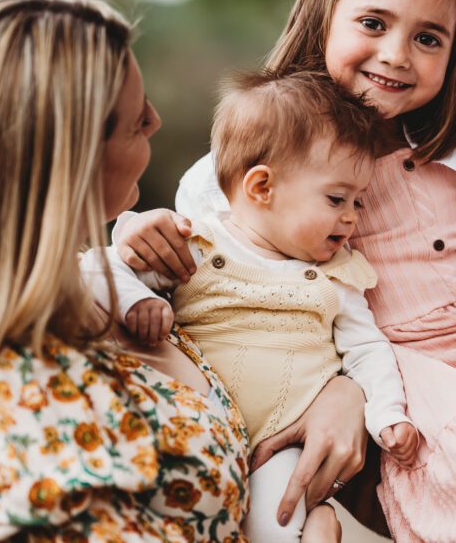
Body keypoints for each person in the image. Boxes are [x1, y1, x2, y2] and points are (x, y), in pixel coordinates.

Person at [115, 0, 456, 542]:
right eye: (372, 23)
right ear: (323, 18)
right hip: (388, 363)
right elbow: (198, 248)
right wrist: (133, 237)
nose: (396, 56)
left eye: (429, 38)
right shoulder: (270, 155)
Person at [0, 0, 363, 542]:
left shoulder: (94, 286)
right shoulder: (17, 412)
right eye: (134, 120)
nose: (157, 119)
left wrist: (343, 393)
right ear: (63, 158)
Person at [82, 70, 419, 542]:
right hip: (202, 440)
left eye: (358, 202)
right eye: (337, 198)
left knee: (273, 525)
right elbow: (98, 268)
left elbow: (367, 348)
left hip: (284, 443)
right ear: (262, 187)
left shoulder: (339, 274)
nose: (350, 217)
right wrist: (137, 300)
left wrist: (388, 415)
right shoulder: (196, 245)